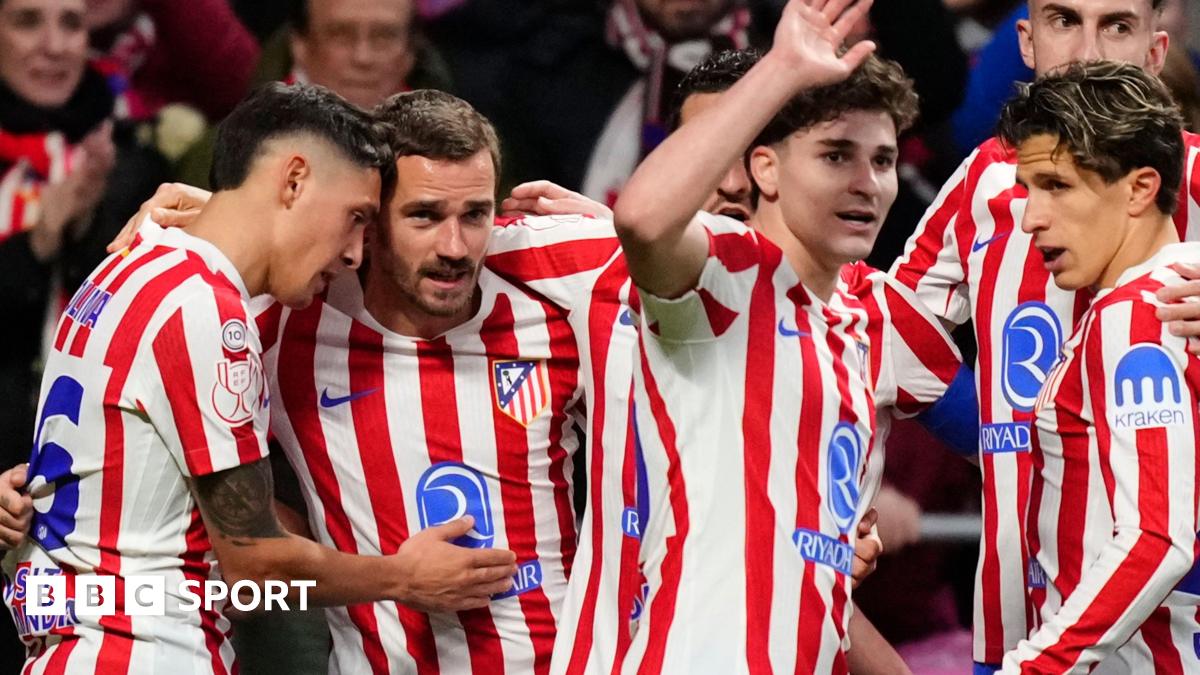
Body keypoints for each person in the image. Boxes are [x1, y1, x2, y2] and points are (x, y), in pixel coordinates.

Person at [1, 82, 517, 672]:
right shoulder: (208, 312)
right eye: (355, 217)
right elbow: (255, 569)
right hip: (140, 653)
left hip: (71, 642)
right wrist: (403, 577)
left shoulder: (126, 265)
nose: (355, 253)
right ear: (294, 181)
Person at [609, 0, 930, 669]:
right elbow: (640, 219)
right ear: (765, 170)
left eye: (882, 160)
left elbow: (813, 582)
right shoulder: (729, 275)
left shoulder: (853, 323)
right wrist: (783, 66)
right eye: (836, 156)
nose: (867, 184)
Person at [889, 1, 1200, 670]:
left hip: (1165, 629)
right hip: (1015, 624)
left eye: (1117, 26)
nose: (1086, 53)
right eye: (1064, 21)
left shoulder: (1194, 179)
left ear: (1155, 50)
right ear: (1026, 41)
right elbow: (882, 342)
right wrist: (1001, 435)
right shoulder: (984, 183)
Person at [996, 60, 1200, 673]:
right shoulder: (1167, 299)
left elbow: (1156, 537)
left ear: (1140, 188)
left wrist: (1033, 668)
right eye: (1027, 189)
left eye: (1056, 186)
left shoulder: (1138, 315)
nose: (1030, 218)